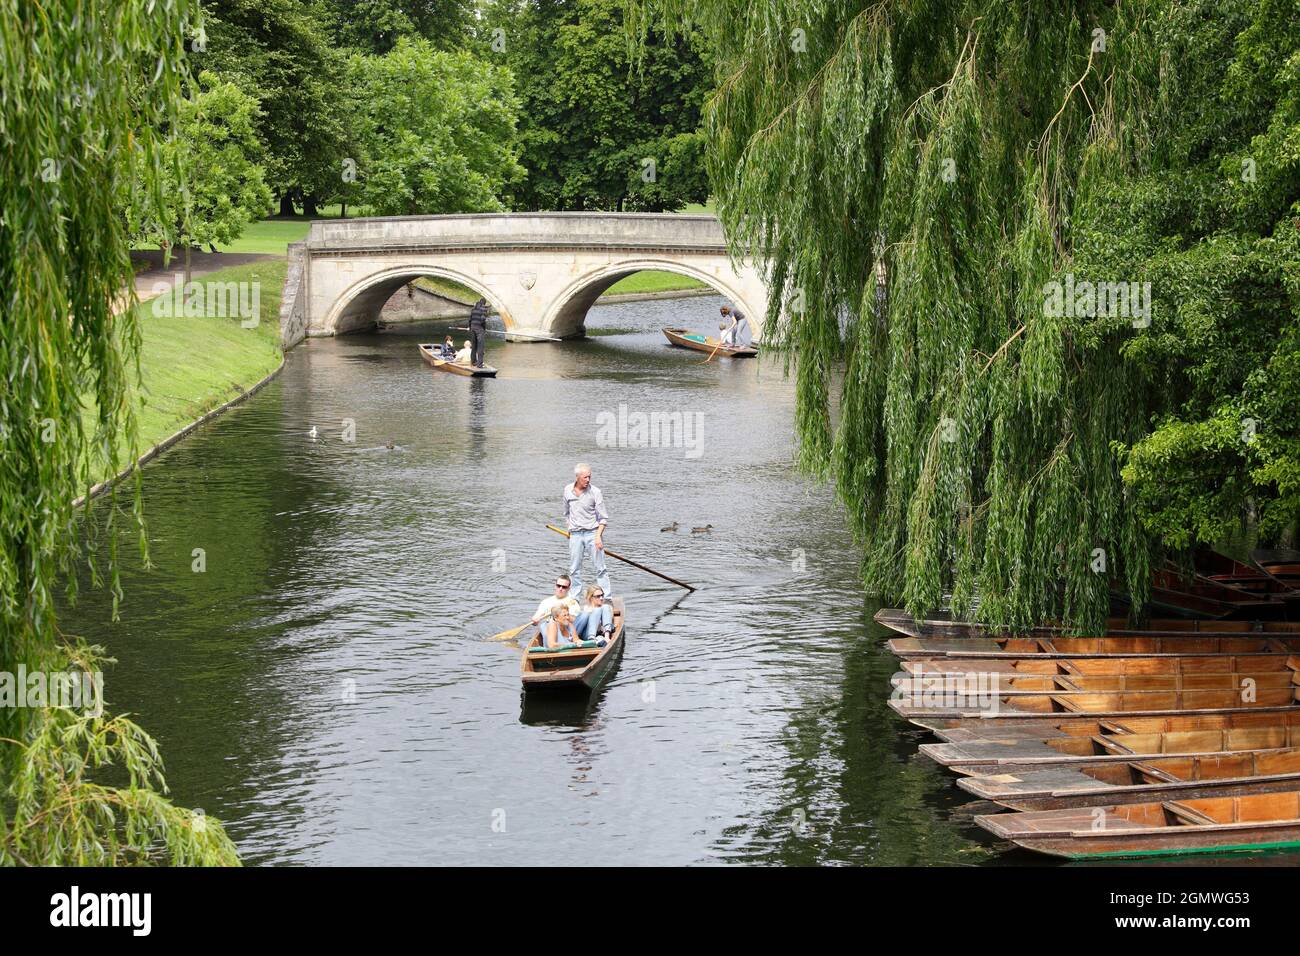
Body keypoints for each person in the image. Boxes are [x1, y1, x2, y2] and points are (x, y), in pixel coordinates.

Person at [563, 462, 611, 598]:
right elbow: (566, 513)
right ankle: (574, 599)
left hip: (592, 533)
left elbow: (603, 519)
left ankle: (606, 598)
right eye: (585, 477)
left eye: (589, 477)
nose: (588, 480)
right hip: (575, 535)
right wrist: (569, 529)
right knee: (574, 570)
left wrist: (597, 537)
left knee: (600, 568)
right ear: (577, 477)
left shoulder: (595, 492)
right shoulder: (567, 490)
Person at [468, 297, 489, 368]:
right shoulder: (484, 309)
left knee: (474, 346)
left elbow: (470, 320)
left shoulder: (473, 309)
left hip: (473, 328)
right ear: (484, 303)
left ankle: (473, 362)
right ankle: (479, 364)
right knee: (481, 347)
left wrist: (470, 327)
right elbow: (483, 320)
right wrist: (484, 329)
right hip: (479, 329)